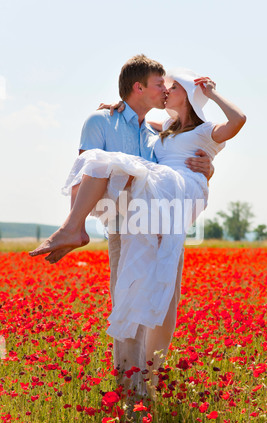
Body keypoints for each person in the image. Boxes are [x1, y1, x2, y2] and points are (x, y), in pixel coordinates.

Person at [29, 57, 246, 398]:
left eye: (170, 87)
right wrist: (121, 106)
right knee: (132, 294)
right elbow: (90, 166)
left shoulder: (165, 129)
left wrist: (210, 166)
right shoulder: (122, 124)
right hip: (130, 221)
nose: (165, 92)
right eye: (161, 85)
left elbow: (212, 137)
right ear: (138, 88)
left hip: (169, 210)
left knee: (164, 301)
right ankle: (131, 385)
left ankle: (151, 377)